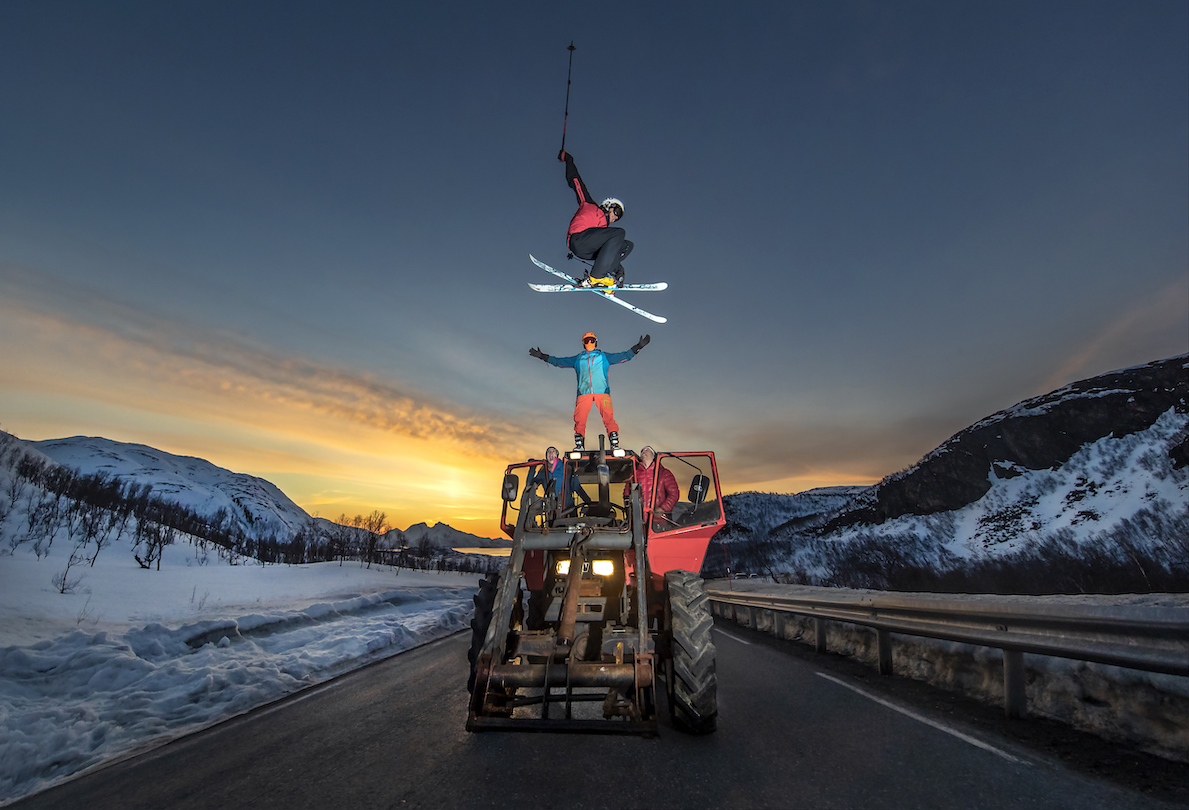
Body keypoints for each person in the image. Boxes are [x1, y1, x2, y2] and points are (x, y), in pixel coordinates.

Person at [529, 331, 650, 451]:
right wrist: (542, 356)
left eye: (592, 340)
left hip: (602, 391)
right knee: (579, 418)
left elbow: (624, 356)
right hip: (584, 392)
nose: (589, 342)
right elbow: (559, 361)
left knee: (608, 417)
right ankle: (580, 444)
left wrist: (638, 347)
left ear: (596, 342)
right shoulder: (578, 358)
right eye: (586, 341)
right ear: (583, 343)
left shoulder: (603, 356)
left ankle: (614, 443)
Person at [559, 150, 632, 288]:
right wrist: (568, 159)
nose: (616, 217)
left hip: (590, 249)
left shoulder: (604, 231)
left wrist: (619, 269)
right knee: (619, 233)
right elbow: (576, 181)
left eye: (619, 216)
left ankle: (606, 275)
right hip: (579, 239)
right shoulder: (590, 205)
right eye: (616, 211)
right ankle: (597, 276)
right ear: (608, 205)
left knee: (627, 245)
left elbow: (611, 251)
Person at [624, 445, 679, 530]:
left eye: (647, 450)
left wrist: (662, 509)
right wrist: (630, 511)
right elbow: (626, 494)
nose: (644, 451)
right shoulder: (634, 474)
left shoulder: (664, 473)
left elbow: (674, 494)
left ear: (654, 456)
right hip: (637, 521)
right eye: (642, 451)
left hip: (658, 522)